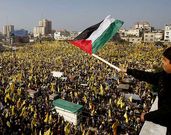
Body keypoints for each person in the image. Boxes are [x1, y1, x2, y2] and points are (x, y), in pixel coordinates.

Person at [120, 46, 171, 135]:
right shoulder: (165, 75)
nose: (162, 62)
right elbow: (149, 76)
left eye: (165, 60)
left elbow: (168, 111)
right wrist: (129, 71)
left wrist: (146, 116)